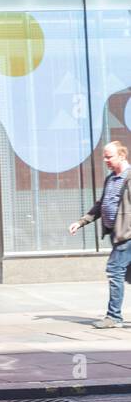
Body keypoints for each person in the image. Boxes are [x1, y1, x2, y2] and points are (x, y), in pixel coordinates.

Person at [69, 141, 131, 329]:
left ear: (122, 155)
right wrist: (81, 222)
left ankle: (113, 317)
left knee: (114, 271)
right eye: (104, 156)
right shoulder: (111, 179)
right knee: (127, 275)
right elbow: (100, 205)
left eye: (109, 156)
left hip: (126, 236)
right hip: (116, 234)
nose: (105, 160)